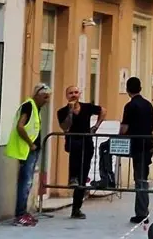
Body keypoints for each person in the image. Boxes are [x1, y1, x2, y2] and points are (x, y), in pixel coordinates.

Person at [5, 84, 51, 226]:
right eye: (45, 97)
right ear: (37, 95)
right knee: (25, 182)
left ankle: (23, 212)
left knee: (27, 182)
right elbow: (20, 126)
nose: (47, 101)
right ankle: (20, 215)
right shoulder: (29, 106)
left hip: (31, 150)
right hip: (27, 150)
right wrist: (30, 144)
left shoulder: (36, 108)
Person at [57, 85, 104, 220]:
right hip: (73, 144)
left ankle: (76, 208)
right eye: (70, 93)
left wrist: (96, 127)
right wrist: (70, 112)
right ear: (67, 96)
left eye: (76, 92)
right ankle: (73, 179)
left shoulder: (87, 107)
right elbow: (65, 127)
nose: (73, 95)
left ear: (79, 94)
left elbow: (103, 111)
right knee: (75, 176)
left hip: (87, 144)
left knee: (82, 177)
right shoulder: (62, 111)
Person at [120, 76, 153, 224]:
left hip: (137, 145)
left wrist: (118, 138)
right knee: (142, 177)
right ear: (140, 88)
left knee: (140, 180)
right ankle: (142, 211)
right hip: (148, 144)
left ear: (127, 90)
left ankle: (142, 213)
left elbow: (124, 128)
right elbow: (152, 125)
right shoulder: (148, 105)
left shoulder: (130, 106)